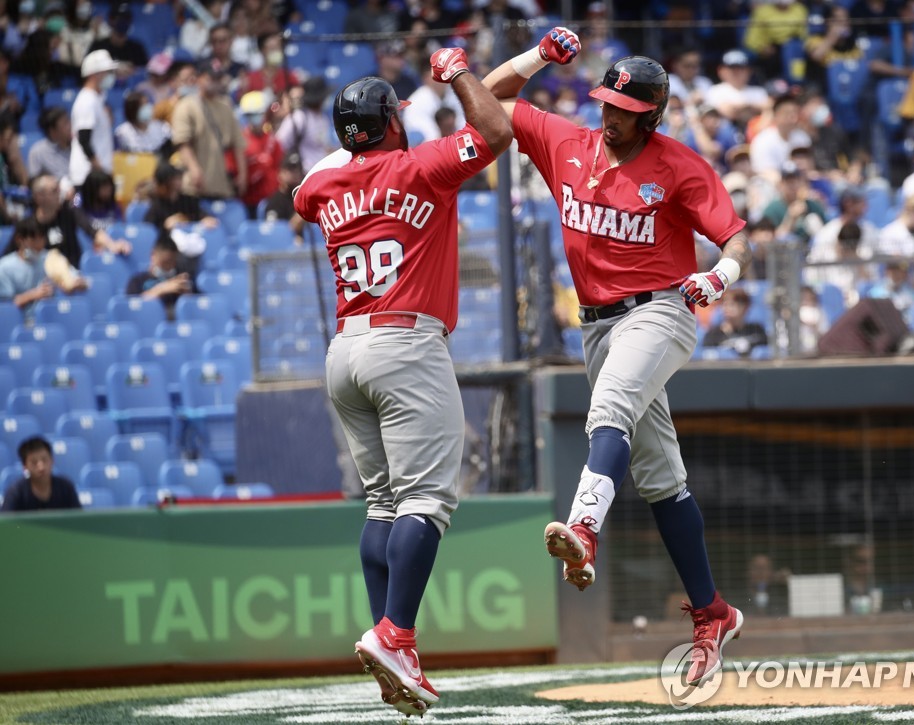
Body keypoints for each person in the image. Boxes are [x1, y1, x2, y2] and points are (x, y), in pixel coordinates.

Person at [483, 29, 747, 686]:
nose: (611, 118)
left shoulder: (680, 165)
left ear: (652, 114)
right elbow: (487, 98)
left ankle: (584, 527)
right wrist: (540, 57)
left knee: (609, 408)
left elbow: (743, 238)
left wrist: (722, 275)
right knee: (662, 476)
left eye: (627, 112)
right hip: (597, 325)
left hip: (661, 310)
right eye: (606, 104)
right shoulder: (567, 141)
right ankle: (713, 611)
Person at [292, 50, 511, 716]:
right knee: (427, 499)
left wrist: (353, 142)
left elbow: (307, 189)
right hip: (406, 342)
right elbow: (496, 131)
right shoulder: (421, 166)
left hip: (345, 351)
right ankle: (395, 634)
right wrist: (458, 73)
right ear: (391, 122)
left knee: (382, 502)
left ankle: (391, 635)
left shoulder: (323, 186)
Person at [171, 58, 247, 201]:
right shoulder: (186, 106)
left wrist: (242, 175)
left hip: (222, 184)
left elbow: (238, 144)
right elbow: (183, 144)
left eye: (219, 78)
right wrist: (194, 169)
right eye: (211, 78)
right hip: (193, 187)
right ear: (198, 78)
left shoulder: (226, 106)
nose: (215, 82)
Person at [0, 217, 85, 320]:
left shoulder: (51, 259)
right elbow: (6, 307)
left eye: (41, 238)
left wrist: (76, 284)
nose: (39, 244)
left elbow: (75, 278)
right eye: (34, 239)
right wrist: (34, 294)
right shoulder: (4, 267)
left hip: (51, 319)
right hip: (20, 322)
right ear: (19, 239)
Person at [69, 48, 118, 188]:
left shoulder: (97, 99)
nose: (111, 76)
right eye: (108, 72)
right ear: (94, 74)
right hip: (89, 177)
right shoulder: (87, 100)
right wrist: (100, 169)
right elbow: (84, 139)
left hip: (97, 176)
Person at [276, 76, 342, 176]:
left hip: (322, 171)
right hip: (305, 173)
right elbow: (279, 143)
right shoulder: (299, 118)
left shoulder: (323, 118)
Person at [126, 231, 197, 319]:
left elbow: (194, 309)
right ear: (153, 255)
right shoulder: (137, 280)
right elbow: (131, 308)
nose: (170, 266)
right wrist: (162, 289)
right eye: (166, 262)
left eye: (173, 262)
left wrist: (187, 294)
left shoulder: (179, 280)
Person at [1, 435, 82, 512]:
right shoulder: (16, 493)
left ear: (52, 460)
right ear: (24, 466)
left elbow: (79, 520)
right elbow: (5, 523)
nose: (41, 467)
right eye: (34, 462)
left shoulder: (66, 488)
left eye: (44, 460)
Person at [239, 90, 282, 214]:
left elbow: (280, 167)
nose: (255, 118)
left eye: (258, 113)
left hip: (273, 200)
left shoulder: (273, 140)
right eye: (250, 115)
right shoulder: (240, 141)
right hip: (249, 201)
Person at [702, 286, 768, 356]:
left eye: (732, 304)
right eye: (724, 304)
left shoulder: (756, 331)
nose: (727, 308)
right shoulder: (713, 335)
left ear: (745, 307)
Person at [114, 90, 172, 154]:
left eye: (147, 103)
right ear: (133, 109)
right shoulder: (122, 133)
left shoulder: (162, 128)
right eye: (142, 105)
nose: (147, 107)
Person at [27, 105, 72, 180]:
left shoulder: (79, 146)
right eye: (65, 124)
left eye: (69, 121)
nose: (70, 126)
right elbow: (34, 183)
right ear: (53, 131)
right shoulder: (38, 152)